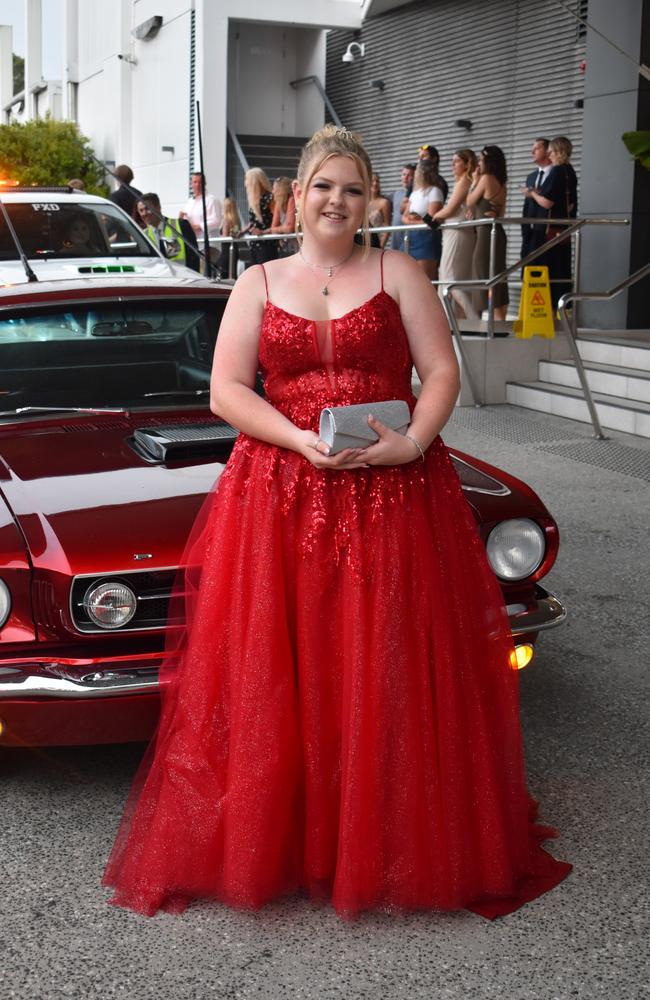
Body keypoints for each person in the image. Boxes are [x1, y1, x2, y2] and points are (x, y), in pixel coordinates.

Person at [103, 123, 571, 921]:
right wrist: (295, 441)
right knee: (282, 660)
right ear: (301, 195)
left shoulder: (399, 271)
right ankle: (289, 839)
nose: (337, 200)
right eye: (324, 185)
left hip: (393, 491)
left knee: (381, 655)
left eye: (352, 189)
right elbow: (227, 392)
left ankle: (387, 835)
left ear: (369, 200)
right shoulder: (257, 281)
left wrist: (414, 443)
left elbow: (442, 370)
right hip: (279, 494)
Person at [527, 136, 578, 307]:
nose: (549, 154)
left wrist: (532, 193)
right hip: (563, 229)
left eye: (552, 151)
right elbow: (570, 204)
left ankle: (546, 309)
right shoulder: (570, 171)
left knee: (547, 269)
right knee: (561, 271)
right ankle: (563, 309)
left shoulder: (557, 171)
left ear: (558, 152)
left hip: (549, 231)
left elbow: (547, 201)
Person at [433, 148, 478, 319]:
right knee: (450, 279)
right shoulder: (464, 181)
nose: (452, 165)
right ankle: (454, 322)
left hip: (458, 234)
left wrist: (433, 216)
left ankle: (472, 319)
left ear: (467, 164)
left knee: (449, 279)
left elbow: (450, 209)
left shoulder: (465, 181)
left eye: (457, 161)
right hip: (454, 233)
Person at [466, 144, 509, 321]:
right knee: (497, 275)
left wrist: (475, 180)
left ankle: (491, 318)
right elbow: (501, 212)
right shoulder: (501, 182)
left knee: (483, 274)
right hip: (497, 232)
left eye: (481, 160)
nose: (478, 164)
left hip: (486, 234)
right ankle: (499, 318)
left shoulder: (485, 179)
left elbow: (469, 200)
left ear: (488, 162)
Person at [402, 159, 445, 280]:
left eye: (417, 171)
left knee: (426, 280)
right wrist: (413, 220)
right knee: (409, 279)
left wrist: (411, 220)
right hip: (410, 238)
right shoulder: (414, 193)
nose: (415, 174)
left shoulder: (435, 191)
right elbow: (404, 216)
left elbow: (432, 220)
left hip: (426, 239)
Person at [136, 193, 200, 272]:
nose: (144, 213)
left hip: (183, 279)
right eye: (141, 210)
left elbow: (194, 257)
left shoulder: (180, 225)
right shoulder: (144, 235)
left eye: (147, 208)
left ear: (158, 207)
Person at [520, 138, 552, 263]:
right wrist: (525, 230)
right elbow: (526, 206)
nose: (532, 151)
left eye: (537, 148)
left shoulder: (556, 172)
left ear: (548, 151)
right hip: (530, 233)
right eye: (532, 149)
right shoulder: (531, 177)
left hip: (548, 231)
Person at [242, 167, 276, 265]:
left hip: (267, 244)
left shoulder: (270, 198)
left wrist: (263, 231)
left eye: (247, 179)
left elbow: (277, 222)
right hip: (255, 243)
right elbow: (254, 222)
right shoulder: (254, 200)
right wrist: (242, 231)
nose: (245, 183)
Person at [269, 176, 297, 256]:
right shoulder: (278, 204)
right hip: (288, 244)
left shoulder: (292, 199)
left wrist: (281, 228)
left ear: (281, 190)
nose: (273, 191)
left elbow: (289, 228)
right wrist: (283, 228)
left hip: (298, 243)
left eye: (275, 189)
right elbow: (273, 228)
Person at [389, 163, 415, 251]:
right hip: (395, 241)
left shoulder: (416, 195)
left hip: (409, 242)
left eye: (410, 175)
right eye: (404, 174)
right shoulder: (396, 194)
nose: (405, 177)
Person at [368, 173, 392, 248]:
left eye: (377, 181)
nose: (375, 183)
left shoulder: (384, 203)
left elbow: (387, 226)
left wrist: (381, 245)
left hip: (376, 242)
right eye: (372, 181)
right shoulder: (362, 202)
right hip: (362, 241)